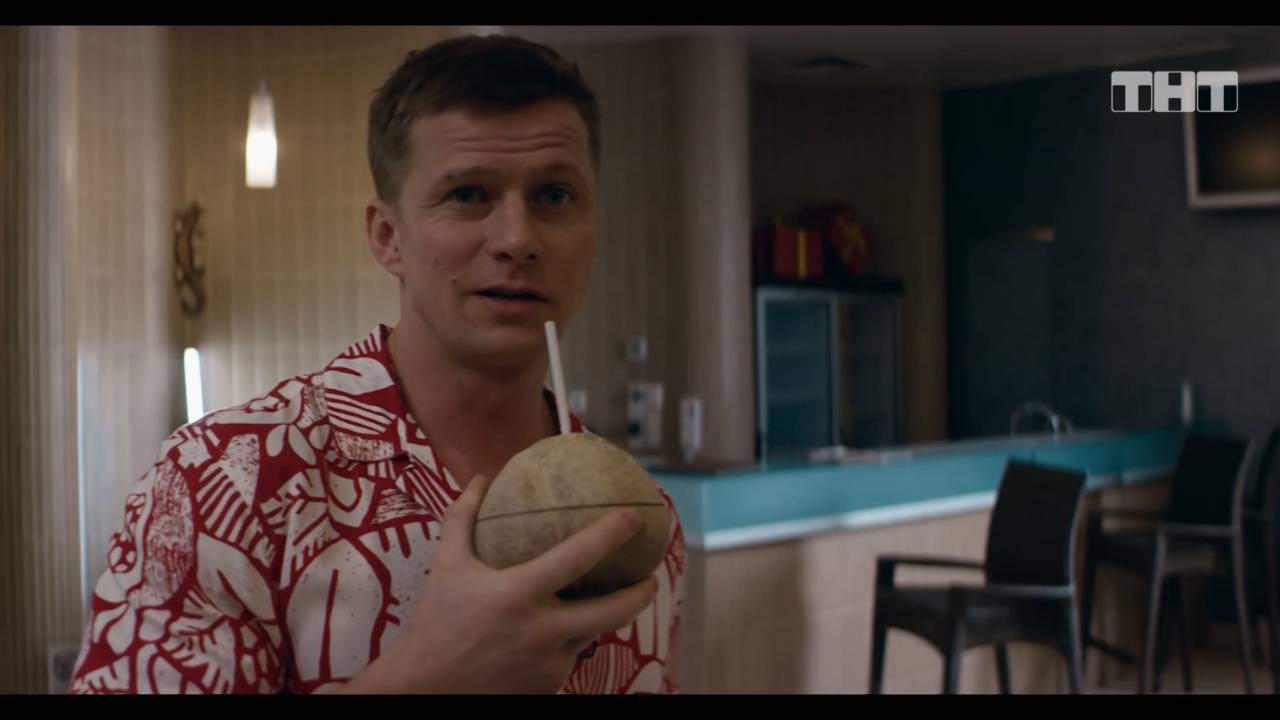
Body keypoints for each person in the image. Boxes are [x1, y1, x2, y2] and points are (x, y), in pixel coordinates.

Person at [69, 34, 686, 695]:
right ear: (388, 237)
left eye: (555, 196)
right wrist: (430, 677)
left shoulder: (640, 522)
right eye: (468, 193)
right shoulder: (220, 483)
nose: (517, 239)